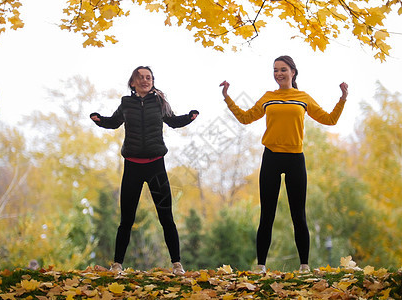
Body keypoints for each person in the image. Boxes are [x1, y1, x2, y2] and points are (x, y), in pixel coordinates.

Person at [219, 55, 348, 274]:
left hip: (295, 159)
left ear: (293, 72)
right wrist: (227, 98)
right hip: (271, 158)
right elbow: (245, 117)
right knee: (267, 215)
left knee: (298, 214)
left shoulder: (302, 97)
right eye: (275, 70)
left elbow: (329, 120)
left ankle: (304, 266)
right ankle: (261, 266)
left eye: (283, 70)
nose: (279, 74)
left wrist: (343, 98)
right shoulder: (269, 97)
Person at [90, 66, 199, 275]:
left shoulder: (159, 103)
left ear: (152, 81)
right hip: (132, 166)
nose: (144, 80)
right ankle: (117, 265)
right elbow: (113, 123)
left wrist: (189, 117)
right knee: (126, 220)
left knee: (166, 216)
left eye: (148, 77)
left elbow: (173, 121)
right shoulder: (126, 103)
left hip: (155, 165)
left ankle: (177, 265)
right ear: (132, 82)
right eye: (139, 77)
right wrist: (99, 120)